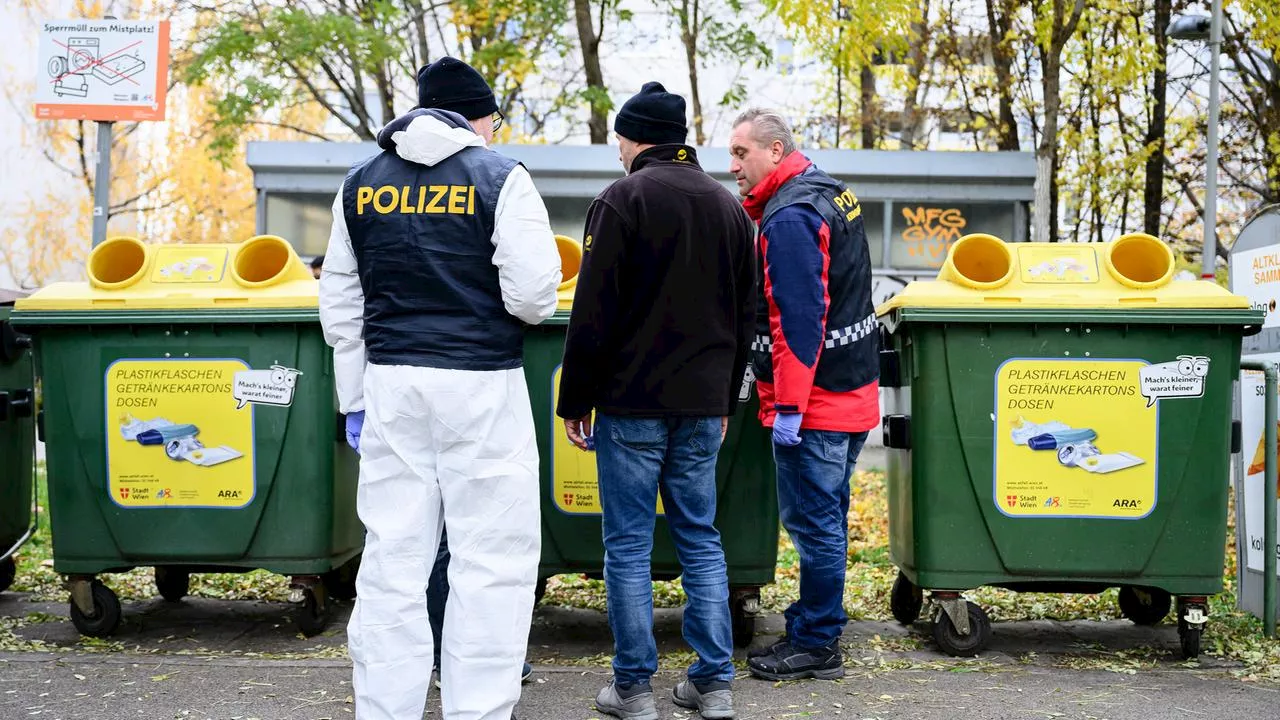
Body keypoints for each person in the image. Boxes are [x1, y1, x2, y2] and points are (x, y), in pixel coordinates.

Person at [318, 56, 561, 720]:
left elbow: (339, 303)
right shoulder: (499, 176)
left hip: (392, 384)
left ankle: (386, 709)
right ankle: (476, 710)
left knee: (393, 562)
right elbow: (537, 296)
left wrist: (355, 397)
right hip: (482, 385)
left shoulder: (362, 183)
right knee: (490, 562)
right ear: (476, 117)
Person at [557, 82, 757, 720]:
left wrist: (575, 399)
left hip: (632, 404)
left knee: (629, 545)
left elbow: (593, 310)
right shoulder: (729, 209)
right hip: (703, 406)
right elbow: (744, 314)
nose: (616, 149)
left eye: (618, 137)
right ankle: (713, 684)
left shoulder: (622, 199)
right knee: (701, 539)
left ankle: (634, 688)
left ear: (636, 136)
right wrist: (726, 399)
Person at [727, 109, 880, 682]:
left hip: (815, 406)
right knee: (828, 518)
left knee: (814, 523)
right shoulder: (829, 193)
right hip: (852, 393)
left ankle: (816, 643)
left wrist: (789, 406)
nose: (733, 165)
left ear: (775, 149)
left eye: (742, 153)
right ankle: (818, 618)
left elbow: (799, 322)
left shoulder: (790, 216)